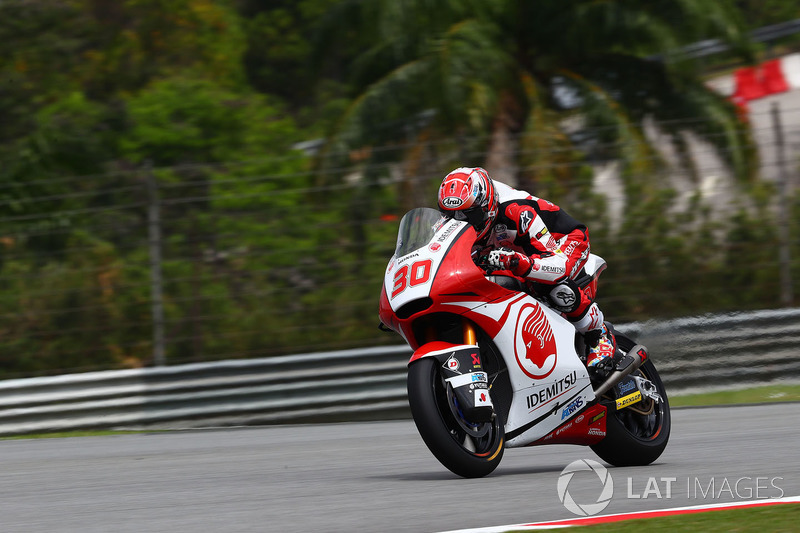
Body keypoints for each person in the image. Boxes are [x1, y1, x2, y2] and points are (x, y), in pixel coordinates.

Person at [437, 166, 617, 375]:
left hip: (563, 242)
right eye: (452, 216)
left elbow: (557, 265)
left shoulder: (517, 211)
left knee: (546, 283)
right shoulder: (448, 224)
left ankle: (599, 335)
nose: (461, 222)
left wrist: (516, 262)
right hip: (510, 253)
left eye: (470, 215)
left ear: (487, 206)